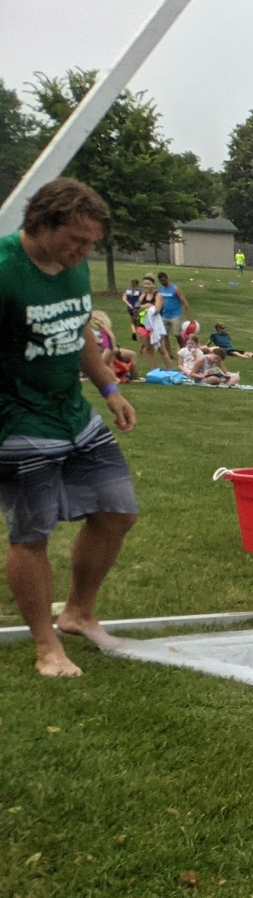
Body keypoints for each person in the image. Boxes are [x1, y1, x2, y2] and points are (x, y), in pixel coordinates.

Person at [0, 179, 141, 678]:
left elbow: (78, 330)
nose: (83, 252)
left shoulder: (73, 268)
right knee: (32, 533)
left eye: (91, 243)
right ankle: (47, 647)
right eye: (77, 240)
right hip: (17, 420)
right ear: (42, 222)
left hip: (73, 413)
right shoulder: (5, 270)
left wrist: (110, 389)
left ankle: (78, 613)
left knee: (118, 510)